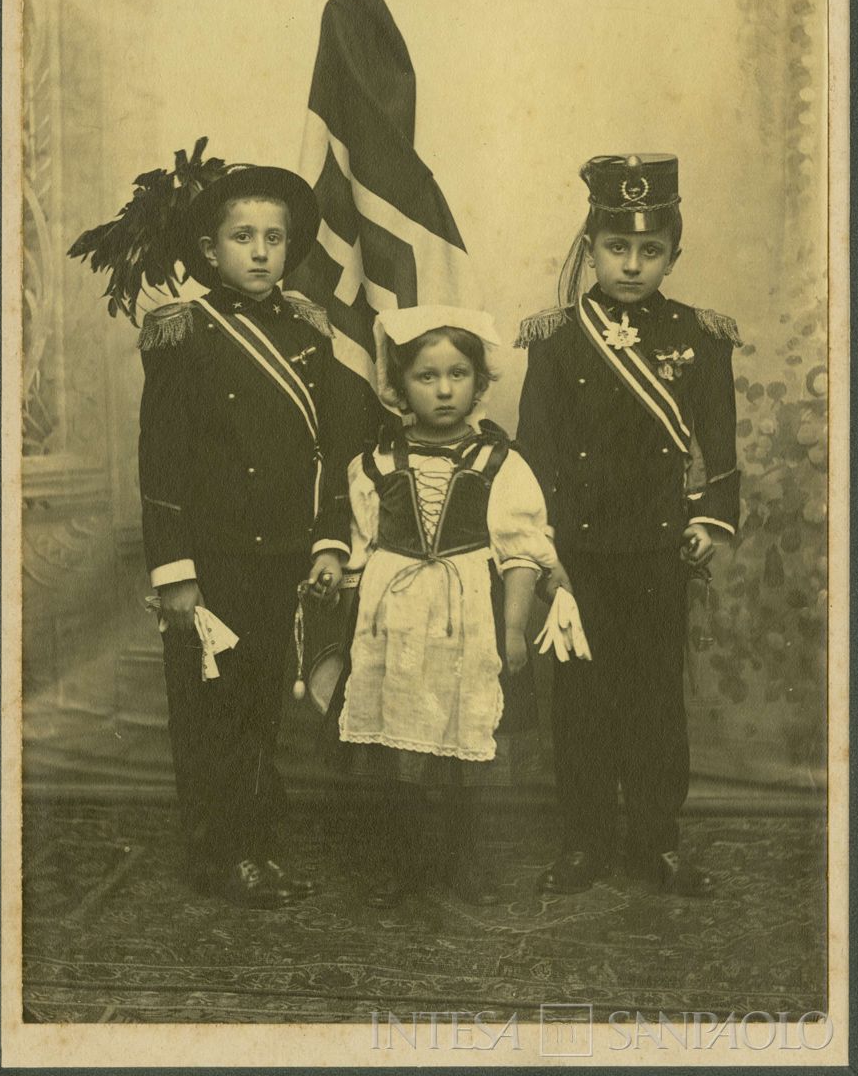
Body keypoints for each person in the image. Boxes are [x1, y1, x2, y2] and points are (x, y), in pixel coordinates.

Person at [137, 163, 366, 907]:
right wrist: (174, 571)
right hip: (211, 560)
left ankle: (256, 851)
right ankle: (220, 854)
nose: (262, 252)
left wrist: (329, 539)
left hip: (283, 554)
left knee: (263, 704)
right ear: (210, 250)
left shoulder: (306, 327)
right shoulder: (183, 331)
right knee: (212, 712)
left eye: (275, 237)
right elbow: (162, 458)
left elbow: (331, 449)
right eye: (243, 237)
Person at [515, 154, 741, 896]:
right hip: (576, 556)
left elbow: (720, 443)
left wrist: (710, 521)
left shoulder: (700, 337)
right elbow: (536, 449)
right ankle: (584, 840)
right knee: (580, 704)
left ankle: (654, 841)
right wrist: (541, 549)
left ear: (674, 254)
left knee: (652, 701)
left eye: (651, 251)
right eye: (617, 248)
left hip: (656, 550)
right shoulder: (555, 340)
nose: (633, 265)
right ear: (591, 249)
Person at [314, 306, 558, 909]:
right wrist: (344, 636)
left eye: (457, 374)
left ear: (479, 383)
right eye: (426, 376)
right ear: (398, 387)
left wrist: (514, 631)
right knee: (397, 740)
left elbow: (522, 552)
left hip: (465, 616)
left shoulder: (501, 463)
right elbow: (358, 557)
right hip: (391, 621)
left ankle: (460, 858)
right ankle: (403, 860)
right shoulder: (373, 465)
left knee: (461, 737)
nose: (444, 390)